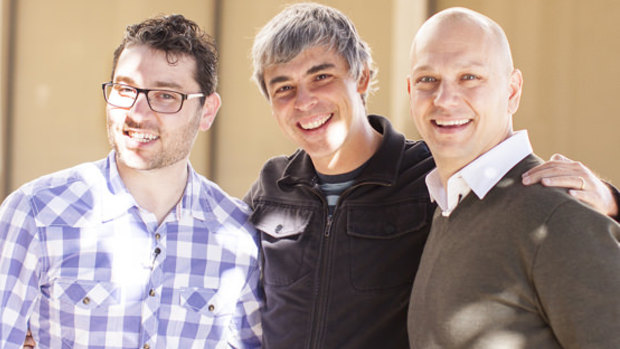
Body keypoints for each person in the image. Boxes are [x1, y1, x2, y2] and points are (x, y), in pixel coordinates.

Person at [246, 3, 619, 348]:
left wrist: (611, 202)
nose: (445, 99)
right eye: (284, 88)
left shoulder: (441, 182)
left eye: (469, 77)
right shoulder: (445, 196)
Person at [0, 14, 261, 348]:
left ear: (207, 111)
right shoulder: (36, 214)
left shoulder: (239, 237)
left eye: (166, 95)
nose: (137, 112)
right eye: (125, 89)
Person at [406, 7, 620, 348]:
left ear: (512, 91)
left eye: (469, 77)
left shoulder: (557, 218)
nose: (444, 99)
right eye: (427, 80)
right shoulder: (445, 210)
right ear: (410, 90)